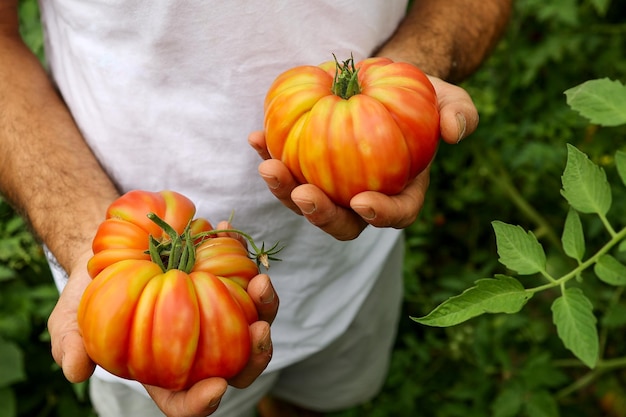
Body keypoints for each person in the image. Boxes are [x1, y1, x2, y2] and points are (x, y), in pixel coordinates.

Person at [0, 1, 512, 416]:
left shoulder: (368, 104)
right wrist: (83, 235)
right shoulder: (120, 272)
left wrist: (409, 89)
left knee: (320, 401)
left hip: (359, 265)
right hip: (113, 268)